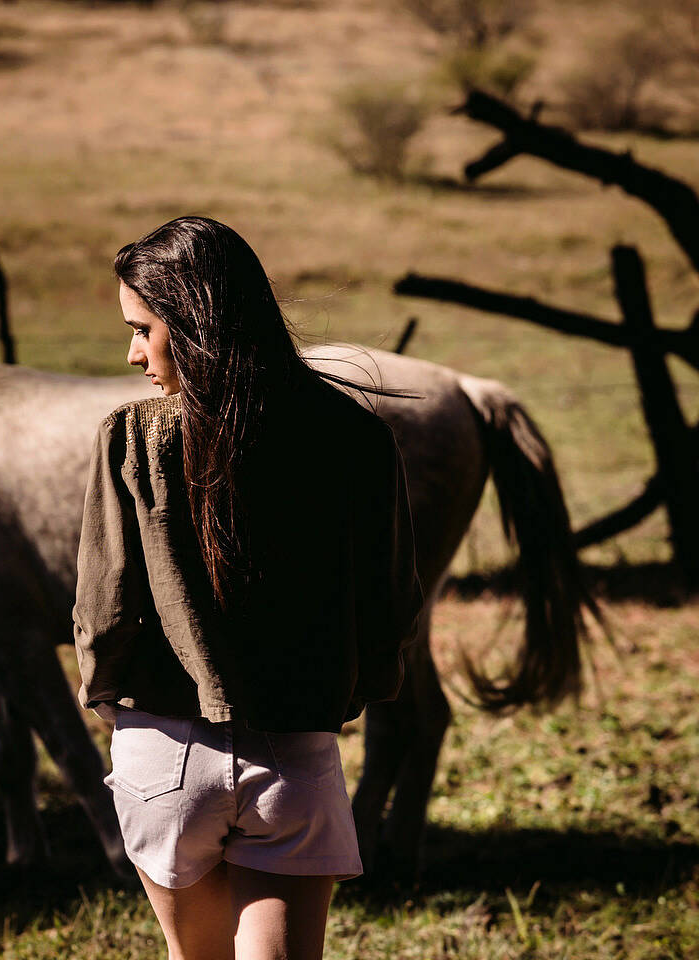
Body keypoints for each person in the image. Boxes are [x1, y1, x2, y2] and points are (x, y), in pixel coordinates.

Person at [72, 216, 425, 960]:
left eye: (143, 329)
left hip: (162, 750)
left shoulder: (132, 437)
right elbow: (390, 603)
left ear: (193, 322)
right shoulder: (355, 436)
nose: (132, 353)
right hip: (294, 747)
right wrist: (350, 695)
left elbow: (104, 605)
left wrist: (111, 703)